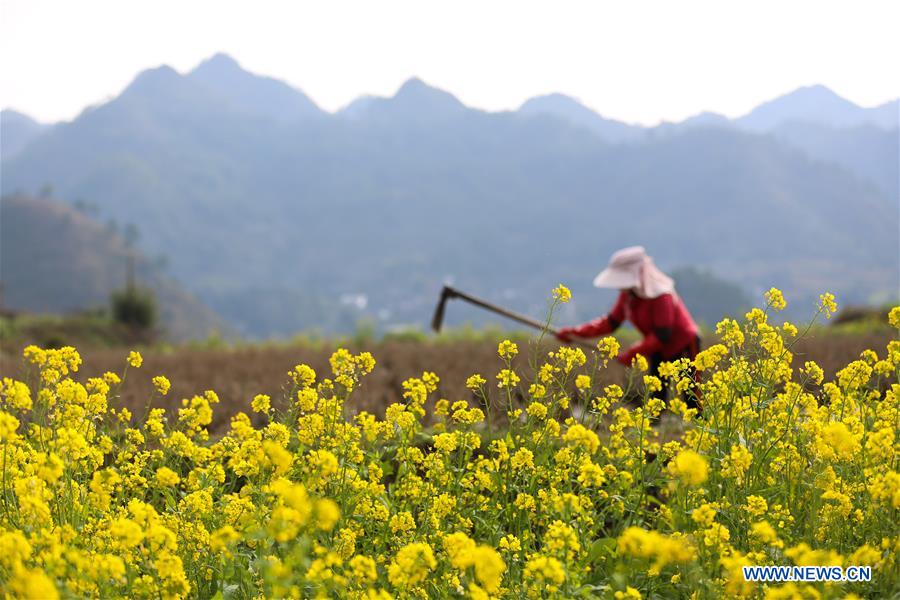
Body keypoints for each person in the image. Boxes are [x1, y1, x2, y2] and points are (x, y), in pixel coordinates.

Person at [556, 246, 701, 406]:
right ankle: (652, 428)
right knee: (655, 394)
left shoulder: (662, 295)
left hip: (683, 344)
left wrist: (633, 353)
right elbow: (610, 322)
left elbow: (663, 334)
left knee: (692, 394)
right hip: (658, 348)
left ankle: (700, 426)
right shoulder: (628, 296)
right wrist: (575, 333)